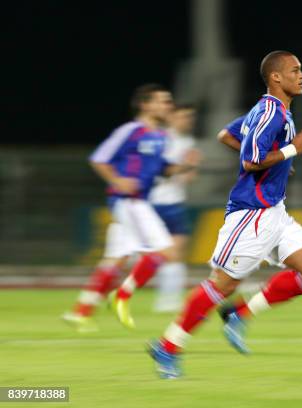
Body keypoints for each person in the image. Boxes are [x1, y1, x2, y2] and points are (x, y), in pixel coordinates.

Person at [148, 50, 302, 379]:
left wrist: (283, 161)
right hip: (252, 214)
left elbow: (226, 135)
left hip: (276, 212)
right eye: (294, 70)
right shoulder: (270, 113)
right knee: (222, 285)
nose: (301, 75)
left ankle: (240, 315)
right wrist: (290, 151)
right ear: (276, 77)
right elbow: (250, 161)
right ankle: (167, 345)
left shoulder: (275, 111)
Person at [63, 84, 200, 332]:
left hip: (139, 202)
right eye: (162, 101)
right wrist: (117, 180)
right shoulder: (130, 131)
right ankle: (123, 295)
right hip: (129, 201)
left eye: (168, 101)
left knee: (115, 260)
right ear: (145, 105)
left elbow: (163, 170)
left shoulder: (160, 136)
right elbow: (99, 158)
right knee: (166, 251)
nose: (167, 106)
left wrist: (184, 166)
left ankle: (81, 312)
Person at [150, 103, 201, 312]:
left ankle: (169, 300)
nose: (187, 121)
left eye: (190, 117)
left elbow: (188, 177)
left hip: (175, 202)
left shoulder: (189, 142)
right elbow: (163, 170)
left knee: (178, 250)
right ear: (171, 117)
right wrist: (186, 165)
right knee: (157, 254)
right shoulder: (160, 139)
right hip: (153, 202)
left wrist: (191, 167)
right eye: (183, 116)